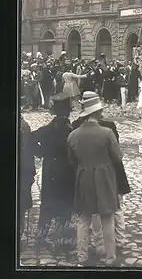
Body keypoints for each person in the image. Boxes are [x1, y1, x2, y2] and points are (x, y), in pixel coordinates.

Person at [67, 92, 123, 266]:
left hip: (83, 177)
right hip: (105, 178)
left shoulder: (73, 135)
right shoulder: (107, 133)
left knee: (83, 219)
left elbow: (71, 161)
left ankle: (82, 256)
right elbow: (118, 158)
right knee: (107, 217)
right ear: (96, 113)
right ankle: (110, 256)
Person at [31, 93, 75, 253]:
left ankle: (41, 236)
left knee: (48, 203)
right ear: (69, 112)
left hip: (50, 170)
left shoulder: (46, 130)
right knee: (66, 203)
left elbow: (30, 140)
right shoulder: (73, 130)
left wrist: (41, 151)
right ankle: (63, 240)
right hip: (69, 170)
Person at [19, 116, 36, 255]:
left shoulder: (23, 126)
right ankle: (19, 234)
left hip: (22, 171)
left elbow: (27, 151)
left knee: (21, 204)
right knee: (21, 204)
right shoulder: (24, 126)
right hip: (23, 171)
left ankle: (18, 234)